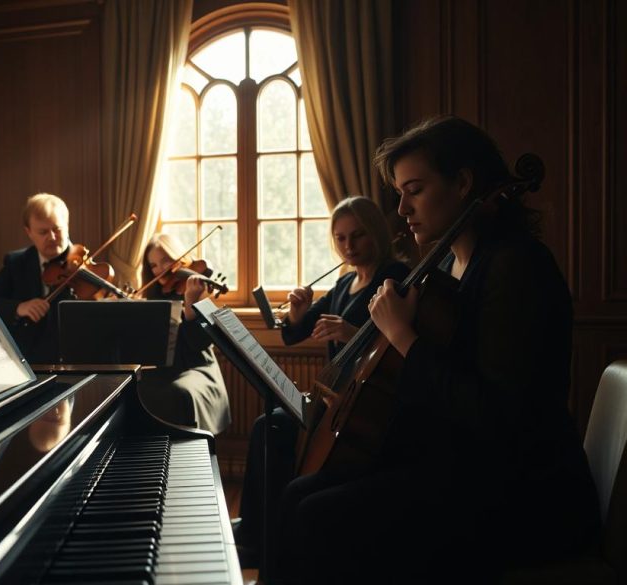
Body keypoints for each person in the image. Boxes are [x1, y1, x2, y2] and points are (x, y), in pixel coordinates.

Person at [271, 116, 600, 584]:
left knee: (316, 516)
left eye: (415, 189)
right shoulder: (445, 264)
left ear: (463, 182)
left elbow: (495, 416)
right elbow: (438, 383)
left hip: (523, 495)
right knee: (297, 495)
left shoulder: (515, 265)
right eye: (400, 192)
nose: (401, 208)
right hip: (458, 469)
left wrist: (403, 337)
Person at [234, 196, 410, 562]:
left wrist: (351, 331)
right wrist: (297, 313)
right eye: (341, 238)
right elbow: (291, 336)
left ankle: (264, 535)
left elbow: (397, 347)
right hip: (334, 398)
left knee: (275, 429)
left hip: (360, 404)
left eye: (358, 236)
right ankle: (255, 528)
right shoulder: (345, 285)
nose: (349, 247)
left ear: (376, 233)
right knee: (267, 424)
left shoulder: (393, 278)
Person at [137, 234, 230, 434]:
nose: (160, 270)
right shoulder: (153, 296)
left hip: (196, 368)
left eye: (165, 261)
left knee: (178, 393)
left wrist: (190, 303)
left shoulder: (196, 289)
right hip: (162, 370)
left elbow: (198, 344)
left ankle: (188, 452)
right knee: (133, 390)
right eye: (153, 265)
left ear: (179, 258)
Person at [0, 193, 75, 364]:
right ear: (29, 232)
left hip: (73, 363)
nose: (52, 237)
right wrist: (18, 307)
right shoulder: (16, 263)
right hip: (29, 362)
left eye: (57, 229)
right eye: (43, 232)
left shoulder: (82, 267)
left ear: (67, 225)